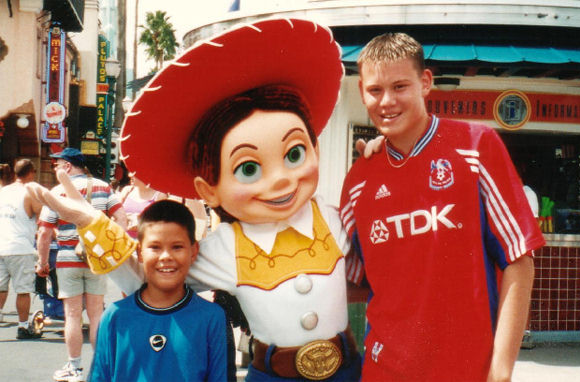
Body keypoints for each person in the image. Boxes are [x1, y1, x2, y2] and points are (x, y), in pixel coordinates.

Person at [26, 19, 360, 382]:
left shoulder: (333, 216)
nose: (280, 178)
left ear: (316, 148)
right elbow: (148, 276)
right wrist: (90, 221)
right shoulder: (226, 246)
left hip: (348, 369)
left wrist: (380, 159)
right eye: (248, 168)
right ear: (208, 189)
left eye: (294, 154)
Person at [340, 32, 546, 381]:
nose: (386, 101)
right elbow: (352, 280)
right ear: (362, 92)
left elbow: (520, 261)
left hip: (466, 371)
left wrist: (500, 370)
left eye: (400, 86)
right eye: (375, 90)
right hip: (383, 372)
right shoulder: (358, 180)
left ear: (425, 83)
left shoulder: (476, 146)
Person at [88, 200, 227, 381]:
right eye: (155, 247)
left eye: (177, 247)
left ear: (194, 251)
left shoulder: (211, 317)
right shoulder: (115, 316)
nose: (166, 257)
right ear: (139, 252)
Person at [36, 148, 127, 382]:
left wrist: (43, 262)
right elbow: (121, 218)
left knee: (73, 315)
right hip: (97, 260)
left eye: (57, 164)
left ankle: (74, 368)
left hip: (68, 259)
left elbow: (45, 231)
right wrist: (111, 246)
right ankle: (99, 368)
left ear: (67, 166)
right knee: (97, 315)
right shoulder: (102, 187)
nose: (55, 168)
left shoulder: (56, 192)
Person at [0, 159, 43, 338]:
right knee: (23, 290)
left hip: (1, 245)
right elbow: (42, 218)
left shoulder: (3, 191)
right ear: (31, 173)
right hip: (21, 248)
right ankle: (23, 326)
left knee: (1, 288)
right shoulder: (29, 193)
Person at [119, 174, 166, 239]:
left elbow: (161, 224)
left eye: (134, 173)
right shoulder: (127, 191)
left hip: (145, 242)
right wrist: (128, 218)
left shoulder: (159, 196)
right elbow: (114, 216)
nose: (129, 175)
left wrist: (141, 223)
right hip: (123, 241)